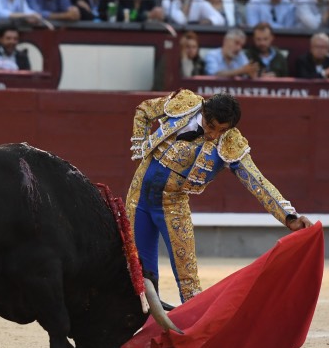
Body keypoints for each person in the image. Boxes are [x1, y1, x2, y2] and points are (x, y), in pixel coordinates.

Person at [125, 89, 311, 305]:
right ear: (203, 111)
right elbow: (144, 110)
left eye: (222, 130)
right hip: (138, 197)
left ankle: (193, 327)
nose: (213, 135)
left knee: (188, 277)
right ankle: (144, 322)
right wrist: (140, 149)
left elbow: (257, 182)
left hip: (172, 204)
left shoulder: (230, 143)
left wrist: (289, 216)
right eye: (211, 126)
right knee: (139, 269)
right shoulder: (184, 103)